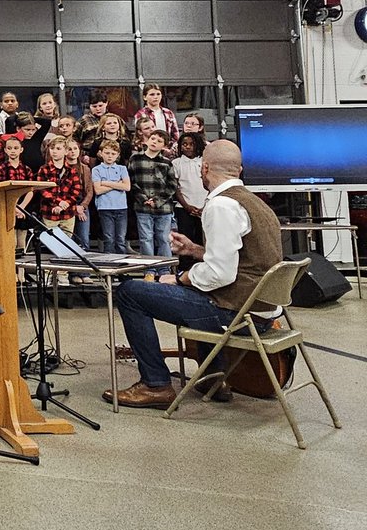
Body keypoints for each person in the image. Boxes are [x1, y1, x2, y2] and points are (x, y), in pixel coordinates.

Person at [105, 140, 283, 409]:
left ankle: (156, 384)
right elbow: (244, 259)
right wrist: (196, 250)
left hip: (238, 314)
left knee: (131, 292)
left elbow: (219, 274)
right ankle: (213, 378)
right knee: (195, 290)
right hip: (263, 311)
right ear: (240, 170)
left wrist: (177, 278)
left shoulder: (221, 205)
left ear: (205, 167)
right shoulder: (256, 204)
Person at [129, 129, 178, 271]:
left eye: (159, 141)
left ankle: (164, 270)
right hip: (142, 206)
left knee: (163, 239)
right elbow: (131, 182)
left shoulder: (166, 162)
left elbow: (172, 185)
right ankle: (149, 270)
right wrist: (143, 198)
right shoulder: (135, 159)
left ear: (164, 145)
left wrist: (157, 200)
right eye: (153, 138)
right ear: (147, 140)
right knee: (145, 239)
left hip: (163, 208)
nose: (154, 142)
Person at [92, 140, 131, 254]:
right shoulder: (97, 170)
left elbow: (127, 187)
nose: (110, 156)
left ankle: (121, 267)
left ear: (118, 155)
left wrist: (105, 183)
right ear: (101, 153)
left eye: (113, 154)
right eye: (107, 153)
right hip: (105, 208)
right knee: (108, 238)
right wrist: (117, 184)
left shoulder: (122, 169)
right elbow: (98, 190)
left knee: (120, 239)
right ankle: (110, 266)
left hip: (121, 207)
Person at [173, 132, 208, 248]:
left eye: (191, 144)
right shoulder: (176, 163)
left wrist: (204, 206)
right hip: (183, 207)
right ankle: (185, 265)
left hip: (204, 207)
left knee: (202, 239)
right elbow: (175, 187)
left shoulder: (204, 162)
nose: (187, 147)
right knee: (185, 239)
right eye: (184, 144)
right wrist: (187, 206)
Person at [132, 83, 179, 157]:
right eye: (152, 94)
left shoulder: (168, 113)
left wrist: (169, 148)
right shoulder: (140, 114)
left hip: (168, 152)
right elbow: (140, 137)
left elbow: (175, 135)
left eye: (158, 94)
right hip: (149, 152)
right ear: (145, 97)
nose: (156, 97)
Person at [66, 138, 94, 251]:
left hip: (83, 205)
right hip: (67, 206)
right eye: (69, 149)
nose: (73, 151)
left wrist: (82, 206)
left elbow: (89, 190)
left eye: (75, 148)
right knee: (69, 240)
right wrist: (74, 208)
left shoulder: (85, 169)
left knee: (84, 240)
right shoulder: (63, 168)